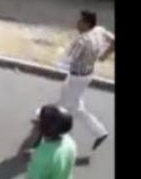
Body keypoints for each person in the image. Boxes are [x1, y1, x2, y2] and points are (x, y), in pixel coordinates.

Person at [30, 10, 114, 157]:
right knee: (71, 103)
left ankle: (41, 141)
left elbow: (67, 61)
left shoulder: (81, 41)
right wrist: (104, 55)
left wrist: (55, 60)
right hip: (87, 75)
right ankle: (99, 132)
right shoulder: (100, 31)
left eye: (80, 21)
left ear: (87, 23)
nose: (77, 23)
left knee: (65, 109)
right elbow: (113, 40)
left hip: (76, 77)